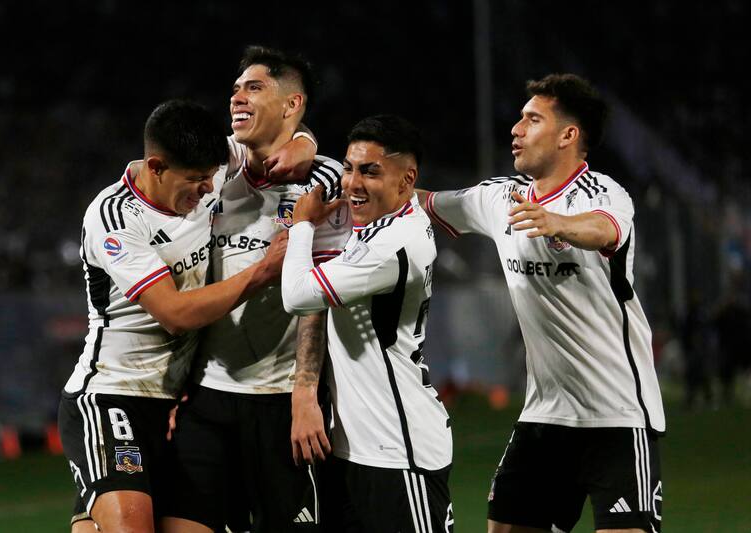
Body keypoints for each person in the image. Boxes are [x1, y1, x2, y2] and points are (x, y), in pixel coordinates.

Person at [419, 74, 665, 533]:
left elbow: (604, 229)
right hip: (545, 414)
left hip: (617, 414)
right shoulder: (499, 197)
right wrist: (352, 185)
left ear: (569, 135)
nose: (516, 128)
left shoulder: (603, 194)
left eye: (532, 119)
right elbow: (424, 203)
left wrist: (558, 222)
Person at [58, 99, 299, 533]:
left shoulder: (209, 164)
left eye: (211, 177)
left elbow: (270, 143)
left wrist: (304, 141)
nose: (208, 189)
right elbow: (174, 314)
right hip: (113, 394)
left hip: (177, 404)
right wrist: (263, 271)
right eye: (195, 181)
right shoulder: (115, 219)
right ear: (156, 166)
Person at [160, 46, 350, 533]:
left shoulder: (327, 181)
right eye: (235, 89)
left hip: (280, 402)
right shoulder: (214, 171)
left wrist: (305, 393)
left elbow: (320, 295)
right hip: (207, 397)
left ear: (292, 104)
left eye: (254, 87)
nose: (236, 98)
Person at [282, 114, 454, 533]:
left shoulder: (394, 244)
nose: (352, 183)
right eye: (349, 168)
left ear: (406, 179)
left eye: (370, 172)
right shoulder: (381, 225)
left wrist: (302, 224)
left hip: (399, 451)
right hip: (356, 448)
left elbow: (298, 295)